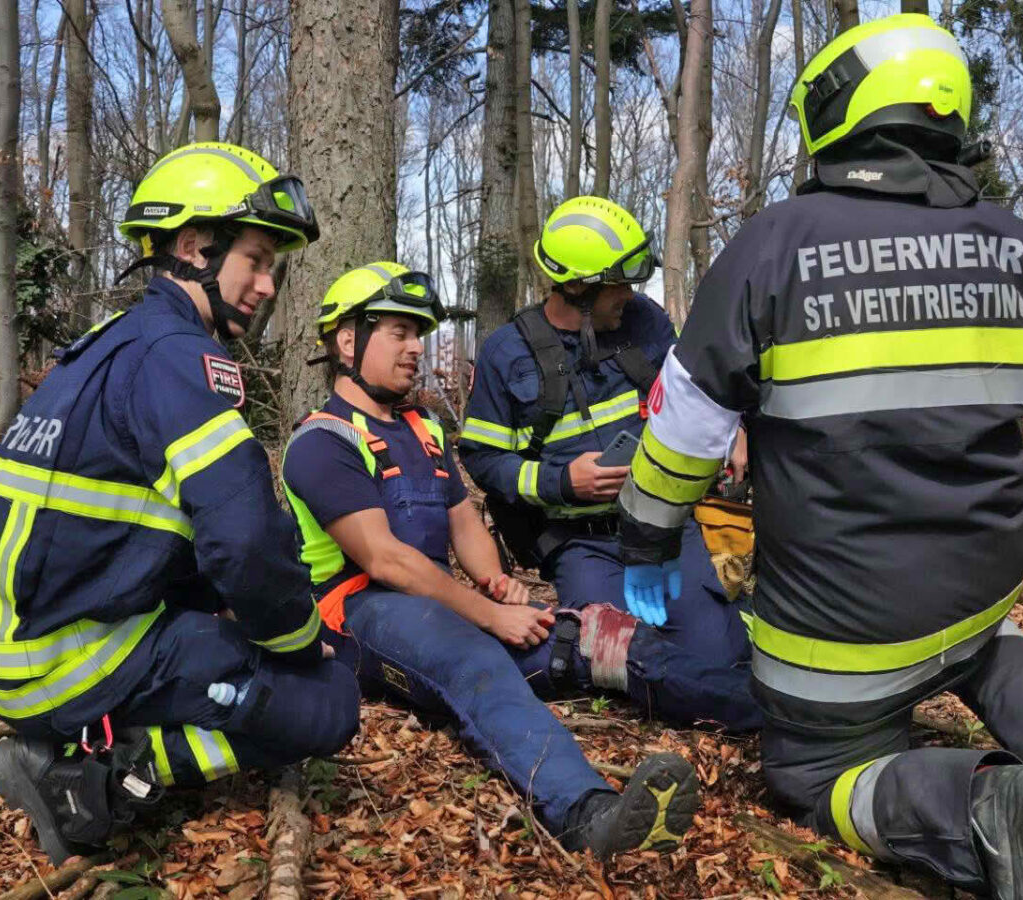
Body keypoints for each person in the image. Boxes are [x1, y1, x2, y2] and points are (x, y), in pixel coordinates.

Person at [615, 16, 1023, 898]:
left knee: (814, 773)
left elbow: (685, 430)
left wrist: (643, 539)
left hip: (840, 634)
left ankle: (989, 811)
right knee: (984, 646)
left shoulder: (773, 247)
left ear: (834, 111)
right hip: (981, 590)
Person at [0, 142, 361, 864]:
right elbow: (244, 541)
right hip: (57, 657)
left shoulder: (111, 343)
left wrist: (220, 608)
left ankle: (89, 740)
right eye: (256, 260)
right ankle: (92, 780)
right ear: (194, 246)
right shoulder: (181, 357)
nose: (266, 285)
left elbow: (151, 524)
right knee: (329, 699)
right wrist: (293, 636)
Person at [281, 261, 705, 859]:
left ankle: (759, 715)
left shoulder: (422, 426)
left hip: (434, 601)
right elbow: (386, 560)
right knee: (475, 662)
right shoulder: (322, 442)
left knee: (596, 643)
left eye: (418, 334)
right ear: (347, 341)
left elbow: (461, 518)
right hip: (359, 612)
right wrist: (486, 613)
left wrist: (495, 580)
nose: (414, 349)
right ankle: (586, 812)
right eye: (399, 333)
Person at [459, 196, 758, 731]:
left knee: (718, 653)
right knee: (622, 657)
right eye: (618, 282)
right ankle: (751, 707)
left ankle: (750, 662)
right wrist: (562, 482)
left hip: (664, 528)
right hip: (580, 544)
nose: (630, 294)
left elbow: (697, 392)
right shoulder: (507, 353)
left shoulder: (645, 323)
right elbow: (483, 460)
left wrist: (730, 427)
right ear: (577, 286)